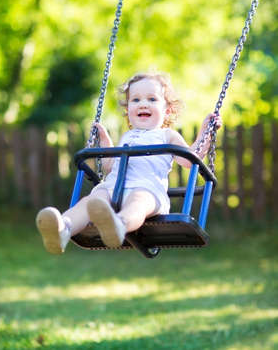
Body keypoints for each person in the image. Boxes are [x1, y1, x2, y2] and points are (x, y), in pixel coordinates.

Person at [36, 72, 222, 254]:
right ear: (128, 110)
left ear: (167, 110)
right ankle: (62, 229)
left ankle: (118, 225)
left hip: (147, 191)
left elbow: (190, 159)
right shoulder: (126, 137)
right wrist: (105, 143)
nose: (143, 104)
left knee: (138, 201)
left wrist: (206, 132)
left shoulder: (167, 135)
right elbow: (110, 167)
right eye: (136, 100)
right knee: (91, 201)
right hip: (114, 187)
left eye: (152, 99)